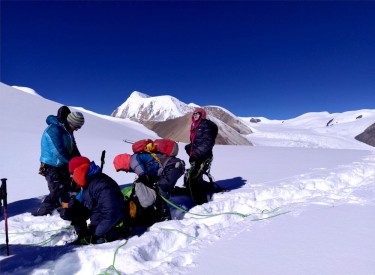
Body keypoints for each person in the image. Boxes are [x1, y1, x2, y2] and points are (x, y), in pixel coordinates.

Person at [60, 156, 127, 245]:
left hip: (113, 225)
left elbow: (112, 213)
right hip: (100, 224)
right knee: (72, 211)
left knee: (96, 241)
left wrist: (97, 234)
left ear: (80, 170)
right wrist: (74, 212)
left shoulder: (102, 185)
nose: (71, 176)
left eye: (72, 173)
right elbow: (90, 208)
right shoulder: (88, 184)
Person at [33, 108, 85, 216]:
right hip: (51, 165)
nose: (77, 129)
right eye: (76, 126)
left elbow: (73, 148)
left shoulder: (68, 130)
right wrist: (72, 163)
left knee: (66, 188)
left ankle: (63, 209)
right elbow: (58, 152)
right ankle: (41, 214)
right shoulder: (54, 130)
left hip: (63, 164)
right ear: (70, 122)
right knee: (56, 191)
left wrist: (81, 161)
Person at [113, 151, 185, 227]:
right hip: (171, 166)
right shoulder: (134, 159)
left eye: (122, 169)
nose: (125, 172)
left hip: (172, 167)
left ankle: (165, 218)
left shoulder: (133, 161)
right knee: (160, 190)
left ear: (123, 163)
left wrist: (150, 185)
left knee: (161, 191)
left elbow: (144, 176)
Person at [184, 107, 218, 205]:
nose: (195, 115)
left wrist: (195, 153)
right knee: (194, 176)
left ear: (202, 115)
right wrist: (190, 148)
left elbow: (208, 142)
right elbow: (197, 142)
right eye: (194, 114)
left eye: (198, 114)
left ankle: (201, 203)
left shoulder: (205, 125)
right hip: (198, 156)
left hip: (204, 157)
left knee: (194, 178)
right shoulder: (195, 125)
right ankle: (196, 193)